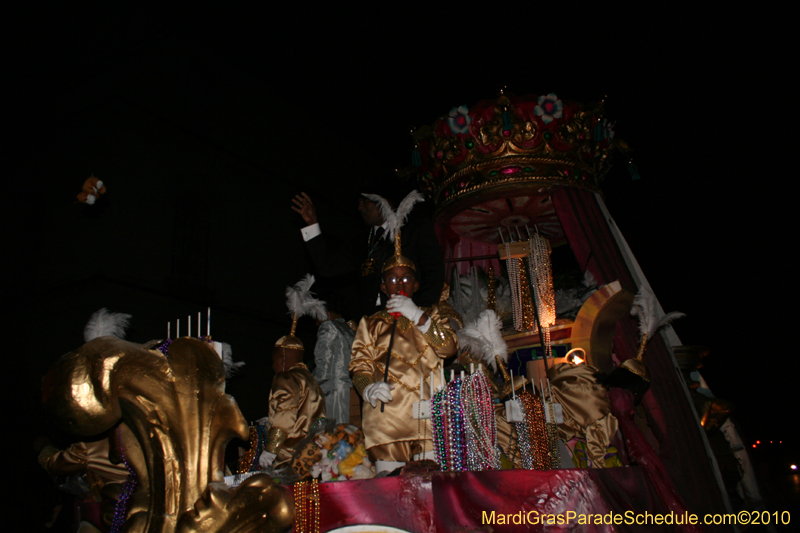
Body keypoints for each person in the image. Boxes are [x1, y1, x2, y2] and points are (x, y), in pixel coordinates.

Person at [349, 245, 457, 471]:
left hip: (428, 420)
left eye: (406, 278)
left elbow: (448, 349)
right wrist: (367, 388)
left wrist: (418, 316)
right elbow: (359, 367)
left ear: (416, 285)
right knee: (389, 495)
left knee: (432, 489)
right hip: (387, 420)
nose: (400, 285)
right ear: (383, 286)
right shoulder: (370, 324)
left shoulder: (433, 314)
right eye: (393, 279)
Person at [291, 186, 444, 318]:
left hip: (410, 315)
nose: (360, 208)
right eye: (359, 203)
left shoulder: (414, 229)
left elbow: (434, 272)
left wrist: (419, 313)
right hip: (372, 322)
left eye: (365, 201)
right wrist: (311, 224)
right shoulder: (360, 241)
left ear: (383, 201)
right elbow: (327, 267)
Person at [261, 276, 328, 470]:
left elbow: (285, 414)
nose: (273, 366)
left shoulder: (286, 377)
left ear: (282, 356)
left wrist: (271, 449)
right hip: (312, 456)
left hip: (289, 457)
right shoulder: (310, 381)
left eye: (273, 360)